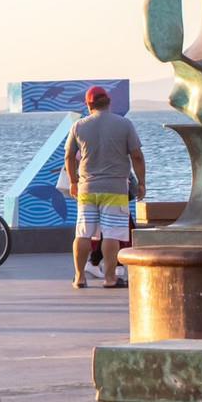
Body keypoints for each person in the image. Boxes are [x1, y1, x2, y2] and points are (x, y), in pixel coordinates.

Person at [66, 86, 146, 289]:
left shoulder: (78, 126)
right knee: (111, 234)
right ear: (109, 102)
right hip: (115, 188)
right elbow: (136, 155)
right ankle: (110, 278)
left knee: (83, 233)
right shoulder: (124, 124)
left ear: (88, 104)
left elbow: (68, 157)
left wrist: (73, 182)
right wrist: (142, 183)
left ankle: (79, 277)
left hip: (87, 188)